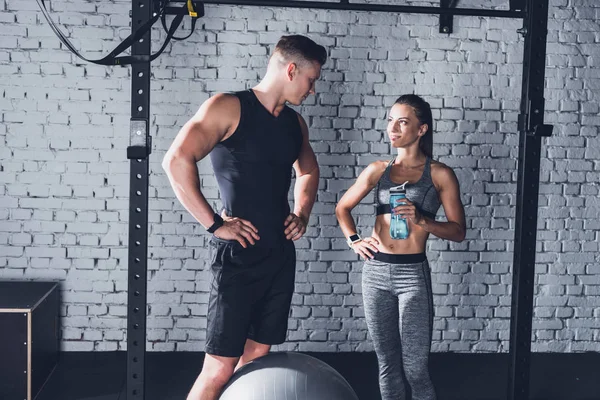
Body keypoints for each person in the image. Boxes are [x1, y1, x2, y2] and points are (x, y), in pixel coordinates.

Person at [162, 35, 327, 400]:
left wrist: (301, 212)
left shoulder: (294, 124)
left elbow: (309, 171)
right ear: (290, 69)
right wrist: (215, 224)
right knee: (219, 368)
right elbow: (175, 160)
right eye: (311, 79)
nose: (313, 89)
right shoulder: (228, 107)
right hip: (237, 259)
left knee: (255, 361)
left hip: (280, 256)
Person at [335, 94, 466, 400]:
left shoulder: (440, 174)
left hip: (412, 277)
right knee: (387, 365)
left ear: (421, 129)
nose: (393, 128)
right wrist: (355, 240)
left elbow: (459, 232)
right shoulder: (377, 169)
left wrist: (424, 220)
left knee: (415, 368)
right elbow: (342, 208)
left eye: (402, 122)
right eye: (390, 120)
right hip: (375, 273)